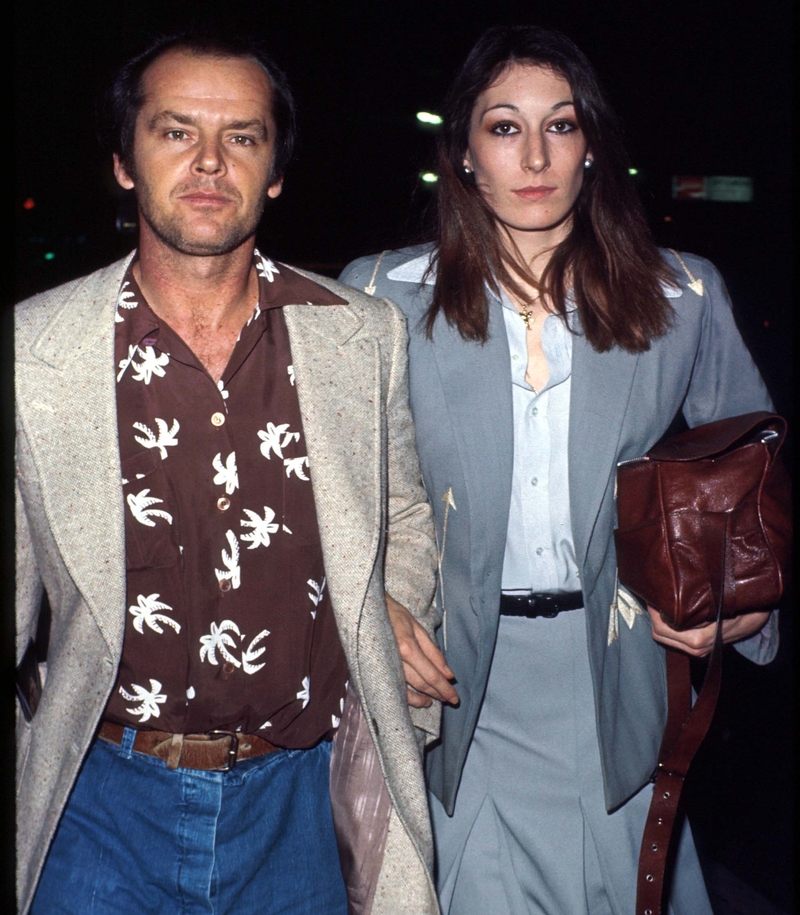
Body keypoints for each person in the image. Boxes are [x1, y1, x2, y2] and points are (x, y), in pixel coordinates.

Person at [340, 24, 778, 915]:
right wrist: (369, 601)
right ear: (464, 153)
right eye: (503, 128)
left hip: (615, 675)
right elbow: (325, 489)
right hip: (455, 682)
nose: (534, 154)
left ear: (593, 149)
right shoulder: (383, 293)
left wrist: (741, 600)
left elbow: (756, 470)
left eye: (561, 125)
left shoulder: (681, 296)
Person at [15, 30, 443, 915]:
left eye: (243, 137)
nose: (209, 161)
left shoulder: (358, 335)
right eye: (175, 132)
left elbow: (399, 509)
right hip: (98, 800)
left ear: (276, 169)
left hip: (297, 799)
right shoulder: (33, 349)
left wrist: (386, 595)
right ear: (126, 160)